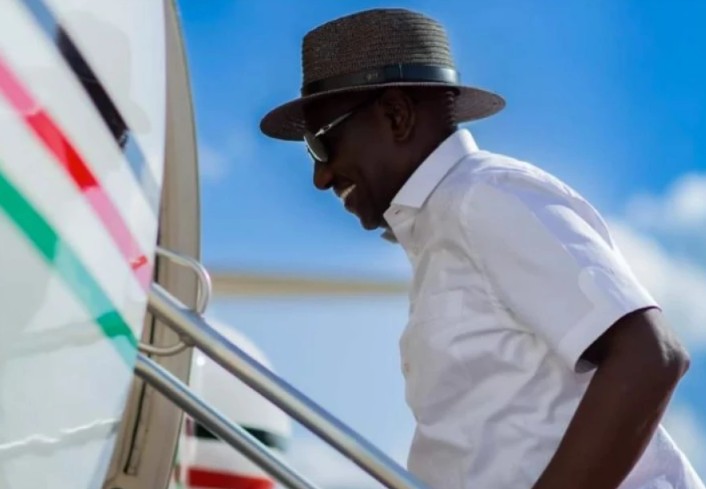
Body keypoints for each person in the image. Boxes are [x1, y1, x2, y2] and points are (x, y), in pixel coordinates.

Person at [259, 8, 705, 489]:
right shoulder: (447, 226)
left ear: (396, 115)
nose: (320, 176)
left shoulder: (484, 196)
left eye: (321, 144)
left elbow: (651, 355)